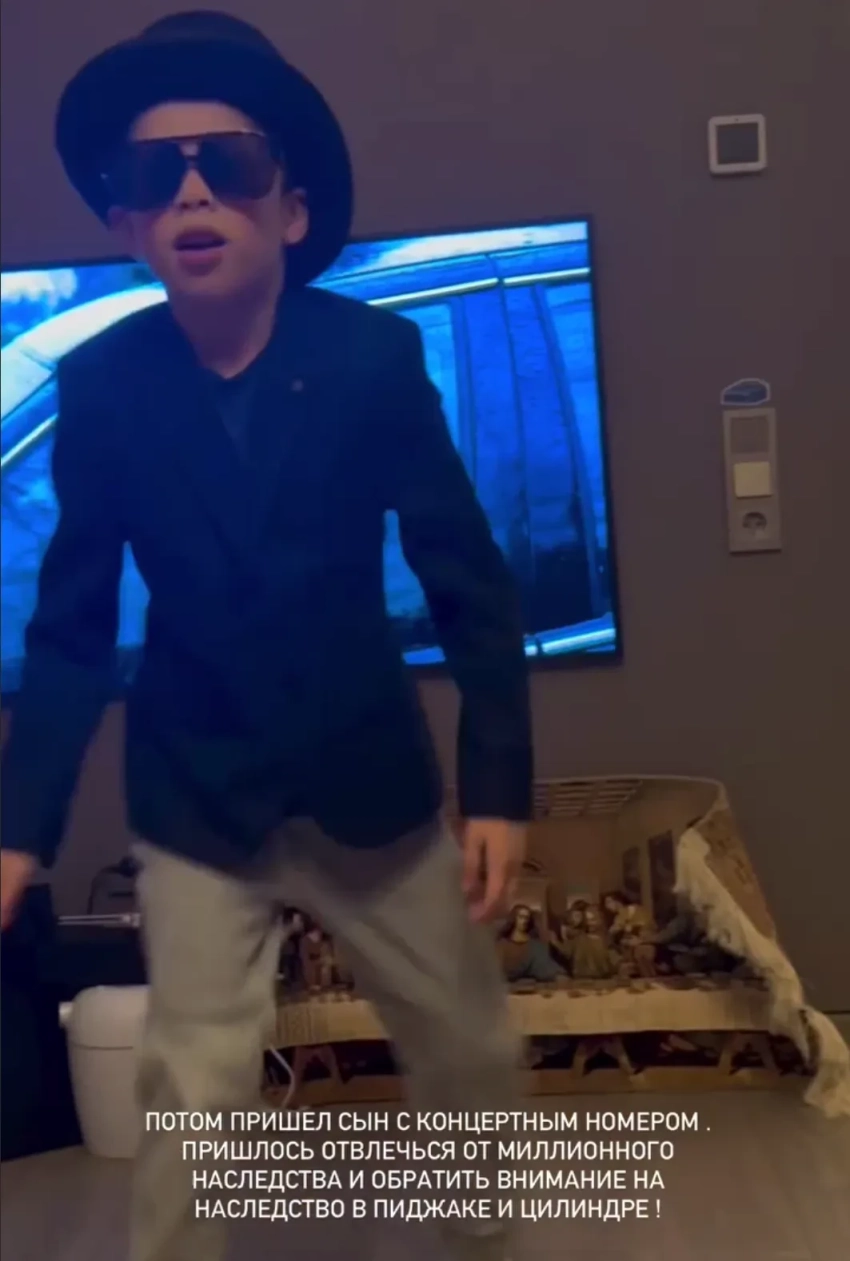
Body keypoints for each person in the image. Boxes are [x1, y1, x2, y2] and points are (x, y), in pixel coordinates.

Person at [0, 13, 532, 1261]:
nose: (192, 194)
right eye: (155, 176)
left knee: (469, 1044)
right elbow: (71, 629)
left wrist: (499, 787)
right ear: (129, 226)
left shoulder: (373, 359)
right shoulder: (104, 388)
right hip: (198, 796)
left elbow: (468, 579)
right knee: (191, 1083)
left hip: (368, 783)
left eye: (227, 164)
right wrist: (20, 831)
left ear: (290, 210)